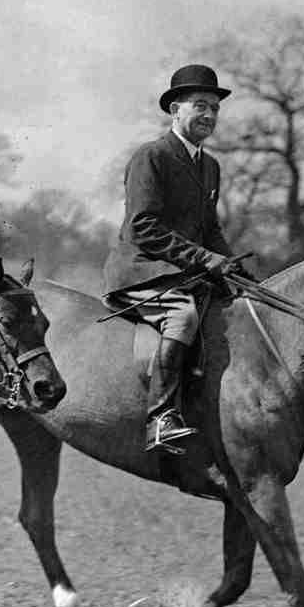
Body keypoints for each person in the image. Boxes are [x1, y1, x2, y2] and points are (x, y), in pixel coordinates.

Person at [103, 64, 247, 454]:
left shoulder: (210, 166)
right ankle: (161, 419)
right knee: (183, 316)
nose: (209, 116)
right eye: (200, 106)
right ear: (175, 110)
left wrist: (235, 268)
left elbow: (210, 230)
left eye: (215, 109)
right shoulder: (152, 156)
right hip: (142, 268)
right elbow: (142, 226)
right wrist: (203, 259)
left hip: (184, 272)